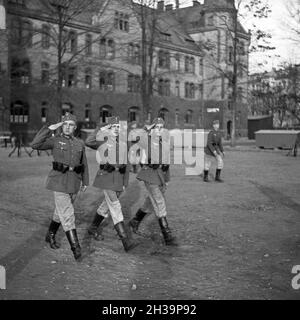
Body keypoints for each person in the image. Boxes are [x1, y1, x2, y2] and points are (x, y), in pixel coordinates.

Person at [30, 112, 89, 261]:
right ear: (62, 126)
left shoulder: (79, 143)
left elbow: (84, 163)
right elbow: (35, 144)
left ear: (75, 127)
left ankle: (50, 235)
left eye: (71, 125)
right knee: (68, 214)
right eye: (65, 125)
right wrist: (49, 128)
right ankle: (76, 248)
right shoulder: (55, 140)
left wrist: (85, 181)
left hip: (74, 181)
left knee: (59, 212)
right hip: (59, 182)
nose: (68, 127)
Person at [85, 116, 138, 252]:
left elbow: (126, 164)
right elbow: (88, 141)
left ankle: (92, 228)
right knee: (115, 206)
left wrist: (125, 182)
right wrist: (100, 128)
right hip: (106, 177)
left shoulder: (123, 143)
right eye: (113, 127)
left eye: (118, 127)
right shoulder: (103, 141)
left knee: (105, 206)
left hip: (119, 179)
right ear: (108, 129)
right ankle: (125, 239)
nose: (116, 129)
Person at [129, 117, 177, 246]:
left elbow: (166, 163)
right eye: (157, 128)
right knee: (159, 202)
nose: (159, 131)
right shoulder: (146, 140)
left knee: (150, 202)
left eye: (162, 128)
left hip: (161, 176)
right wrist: (147, 129)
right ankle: (167, 234)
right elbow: (136, 137)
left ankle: (134, 221)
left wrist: (167, 179)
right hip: (150, 175)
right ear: (153, 129)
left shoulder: (164, 142)